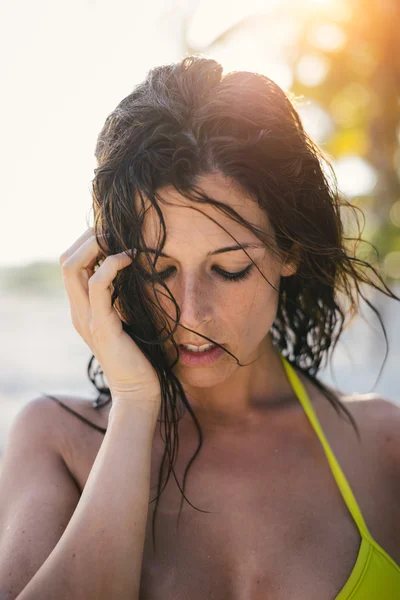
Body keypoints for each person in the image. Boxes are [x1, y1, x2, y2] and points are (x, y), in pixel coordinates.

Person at [0, 55, 399, 600]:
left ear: (290, 250)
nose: (191, 314)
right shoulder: (55, 441)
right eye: (157, 270)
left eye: (229, 269)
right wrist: (136, 403)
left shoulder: (382, 444)